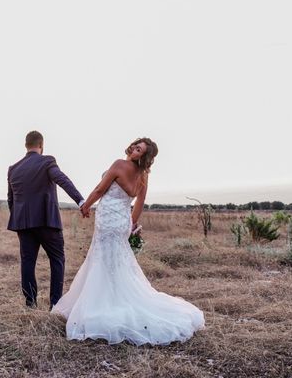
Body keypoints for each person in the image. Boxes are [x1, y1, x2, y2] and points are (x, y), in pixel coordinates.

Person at [51, 138, 205, 345]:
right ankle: (115, 299)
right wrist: (131, 223)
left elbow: (99, 190)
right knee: (116, 261)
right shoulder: (143, 176)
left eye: (139, 149)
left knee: (102, 259)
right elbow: (140, 201)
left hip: (108, 219)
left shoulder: (119, 164)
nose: (134, 149)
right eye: (135, 145)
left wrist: (86, 206)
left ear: (143, 156)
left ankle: (103, 305)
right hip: (122, 219)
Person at [7, 130, 87, 310]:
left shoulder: (14, 168)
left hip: (23, 224)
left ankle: (30, 303)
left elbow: (11, 199)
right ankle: (55, 305)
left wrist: (19, 219)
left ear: (26, 145)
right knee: (57, 260)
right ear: (41, 145)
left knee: (27, 262)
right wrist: (80, 201)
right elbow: (62, 179)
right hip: (47, 222)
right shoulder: (47, 161)